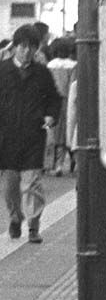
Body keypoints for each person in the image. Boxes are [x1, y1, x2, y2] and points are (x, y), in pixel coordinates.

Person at [0, 24, 62, 243]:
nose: (27, 51)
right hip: (6, 137)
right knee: (10, 185)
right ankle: (15, 217)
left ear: (37, 49)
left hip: (33, 135)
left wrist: (51, 115)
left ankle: (33, 226)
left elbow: (54, 98)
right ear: (15, 47)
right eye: (23, 46)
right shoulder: (2, 70)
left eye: (32, 47)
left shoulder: (42, 73)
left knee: (32, 183)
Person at [46, 37, 77, 174]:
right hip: (67, 101)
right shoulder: (73, 65)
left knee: (53, 132)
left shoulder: (50, 65)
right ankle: (67, 162)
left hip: (51, 101)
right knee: (66, 133)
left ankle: (52, 164)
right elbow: (73, 85)